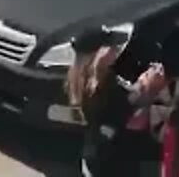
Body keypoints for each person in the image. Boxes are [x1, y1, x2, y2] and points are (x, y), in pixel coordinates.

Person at [66, 29, 167, 177]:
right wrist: (148, 85)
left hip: (94, 157)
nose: (116, 50)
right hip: (111, 163)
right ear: (98, 54)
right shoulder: (103, 88)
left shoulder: (81, 79)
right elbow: (131, 115)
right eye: (111, 47)